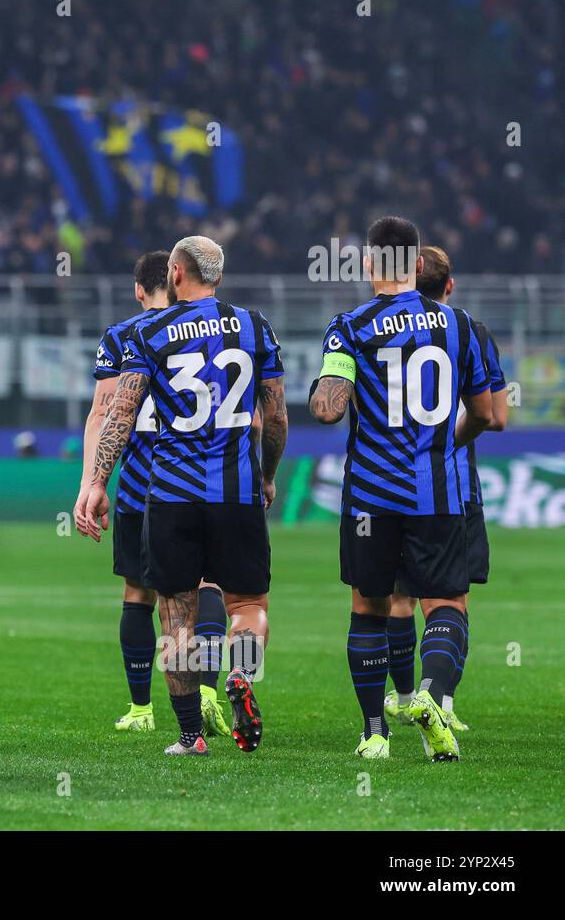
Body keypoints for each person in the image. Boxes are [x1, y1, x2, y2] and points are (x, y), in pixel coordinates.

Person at [77, 235, 287, 757]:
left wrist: (98, 483)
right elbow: (276, 416)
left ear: (175, 274)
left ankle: (191, 735)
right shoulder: (255, 326)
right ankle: (240, 670)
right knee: (247, 603)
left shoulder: (148, 331)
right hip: (236, 492)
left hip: (169, 494)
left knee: (175, 614)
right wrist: (267, 474)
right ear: (216, 276)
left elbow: (120, 415)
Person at [310, 218, 493, 761]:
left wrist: (329, 382)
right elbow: (484, 413)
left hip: (370, 495)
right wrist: (445, 443)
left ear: (369, 264)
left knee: (369, 605)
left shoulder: (350, 326)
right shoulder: (460, 326)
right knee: (447, 604)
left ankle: (374, 734)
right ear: (417, 265)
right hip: (437, 491)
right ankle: (433, 697)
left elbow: (328, 409)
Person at [74, 251, 230, 736]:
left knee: (138, 593)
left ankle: (142, 708)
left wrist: (90, 483)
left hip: (139, 488)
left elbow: (103, 413)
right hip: (198, 483)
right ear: (176, 279)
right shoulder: (210, 330)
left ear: (139, 290)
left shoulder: (122, 337)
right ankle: (206, 691)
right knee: (206, 587)